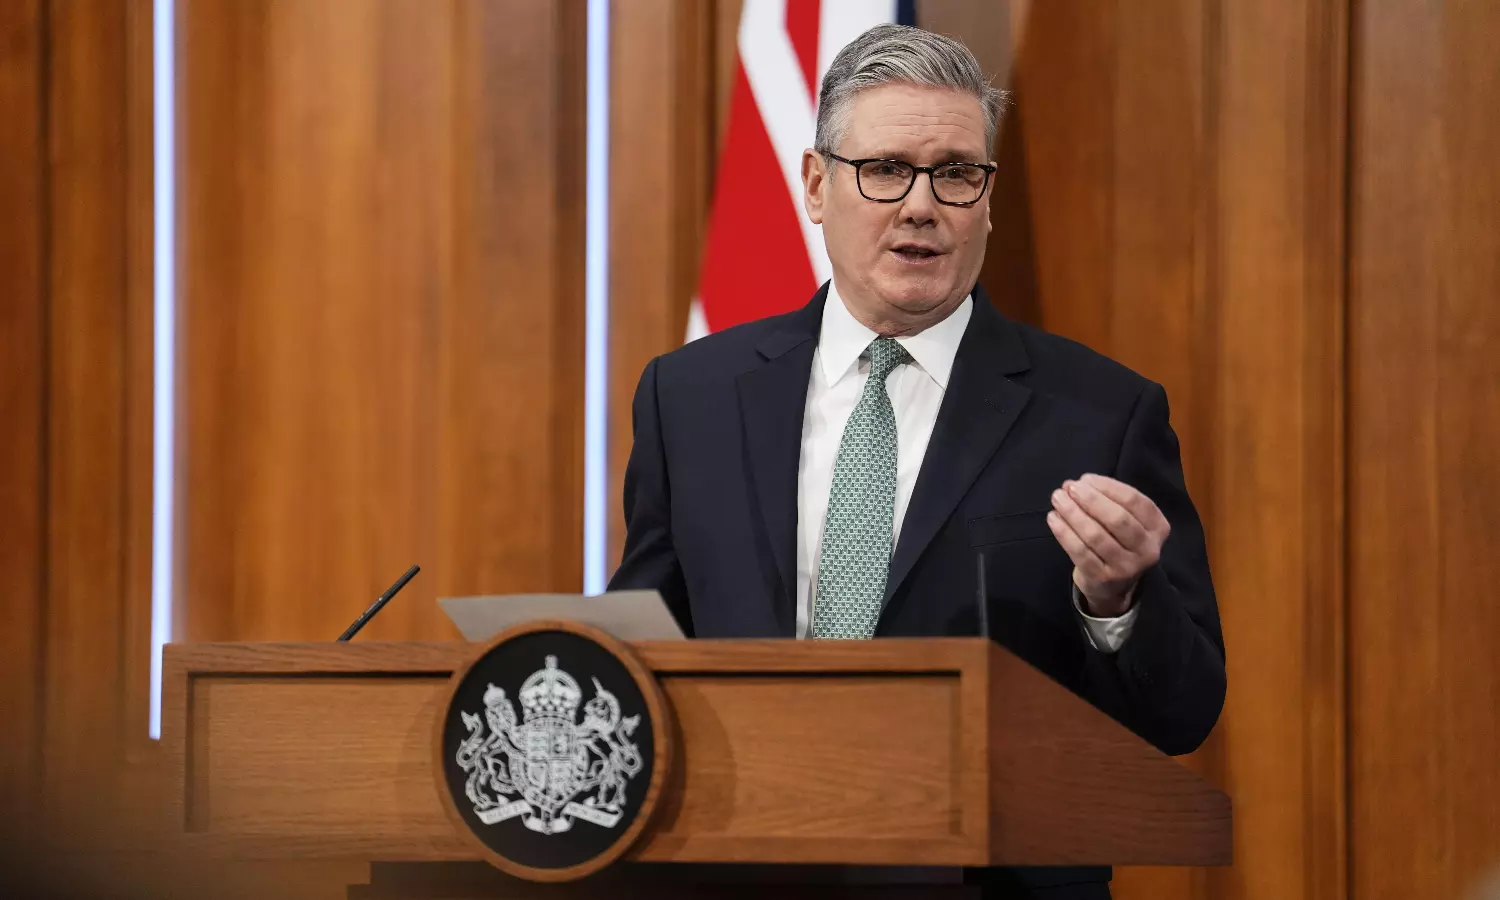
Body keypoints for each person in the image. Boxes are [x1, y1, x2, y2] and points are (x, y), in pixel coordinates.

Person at [609, 23, 1225, 899]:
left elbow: (1182, 713)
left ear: (986, 197)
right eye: (887, 169)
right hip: (741, 873)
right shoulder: (690, 398)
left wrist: (1117, 602)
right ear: (816, 185)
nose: (922, 205)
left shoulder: (1100, 416)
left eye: (957, 173)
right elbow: (644, 647)